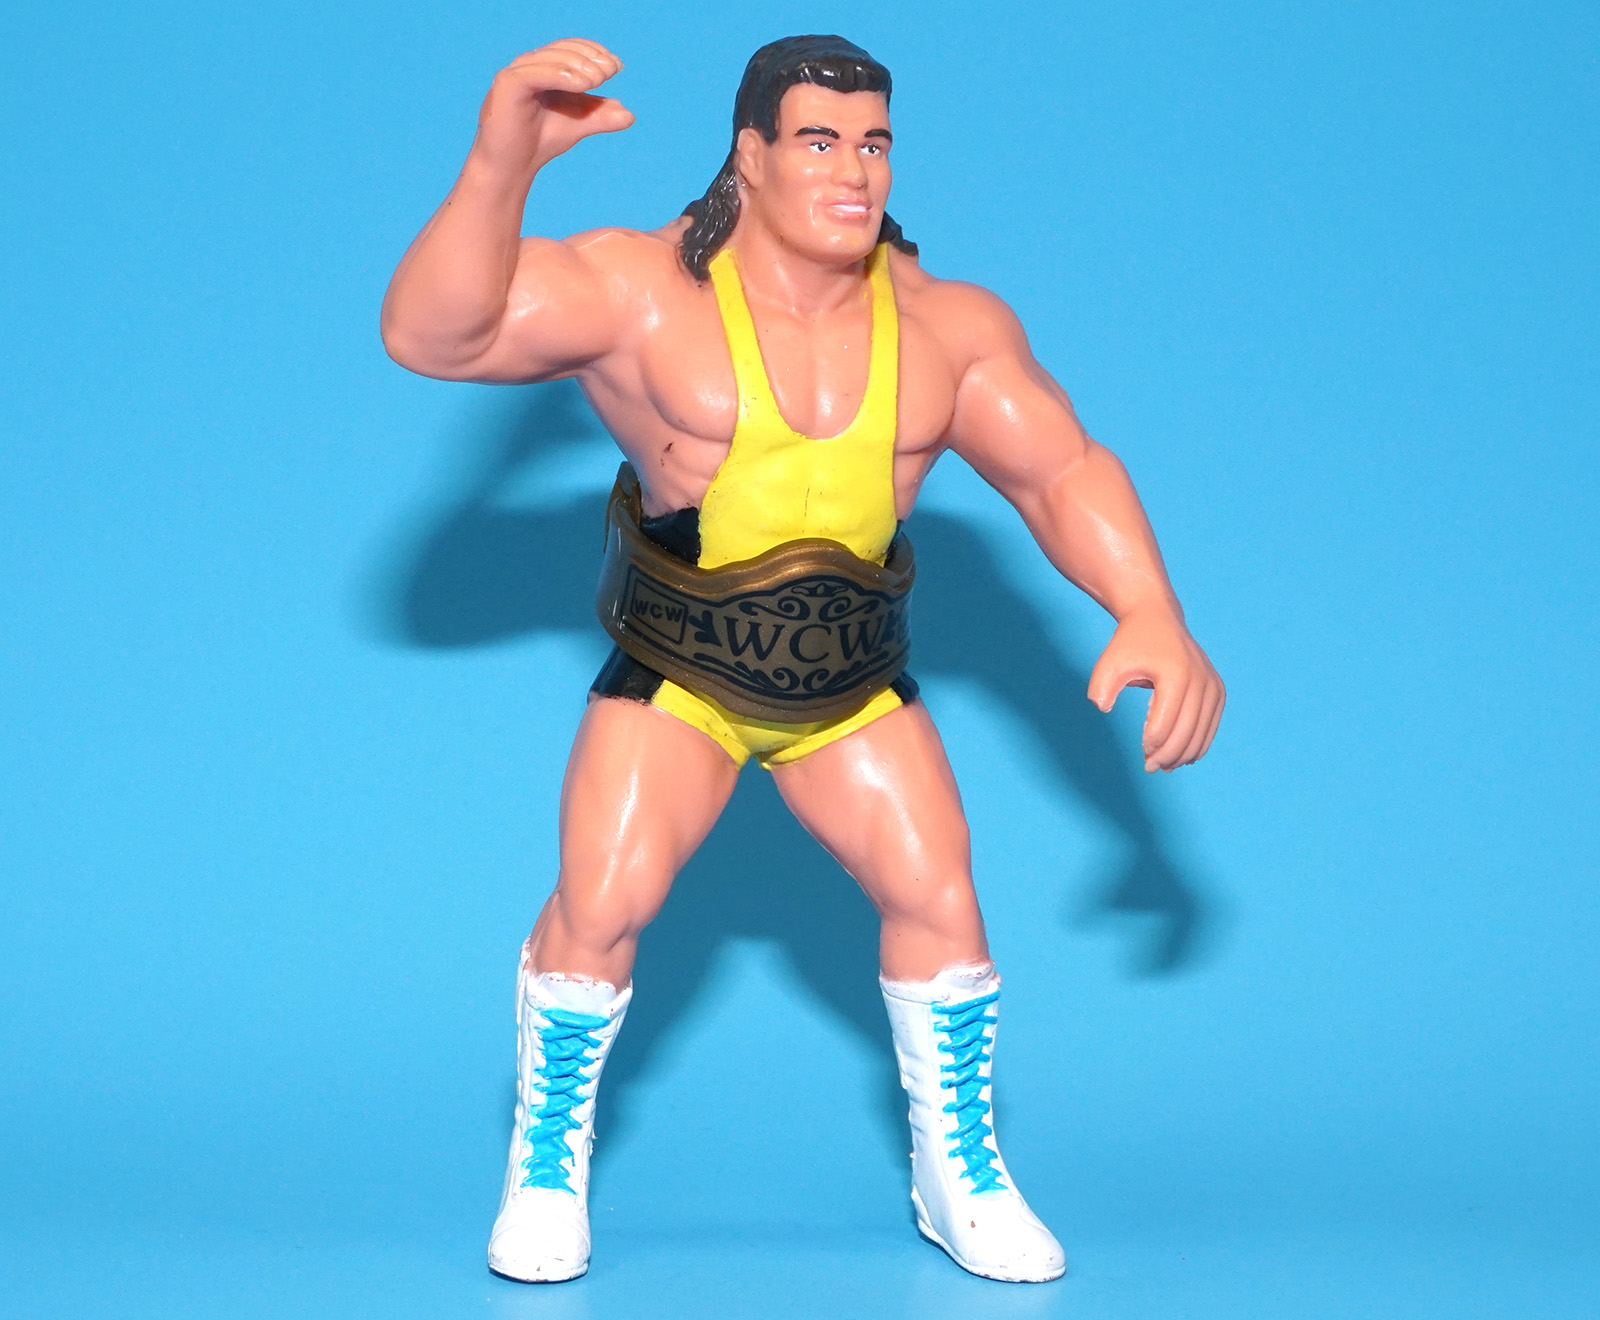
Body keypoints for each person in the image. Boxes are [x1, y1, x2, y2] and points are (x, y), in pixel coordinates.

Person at [381, 33, 1224, 1285]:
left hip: (850, 682)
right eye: (820, 141)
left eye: (873, 143)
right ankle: (546, 1159)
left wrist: (1149, 606)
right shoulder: (642, 290)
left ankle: (956, 1171)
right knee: (603, 899)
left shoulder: (945, 324)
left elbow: (1061, 470)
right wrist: (501, 163)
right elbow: (435, 337)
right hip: (680, 670)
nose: (853, 171)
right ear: (752, 155)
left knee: (939, 895)